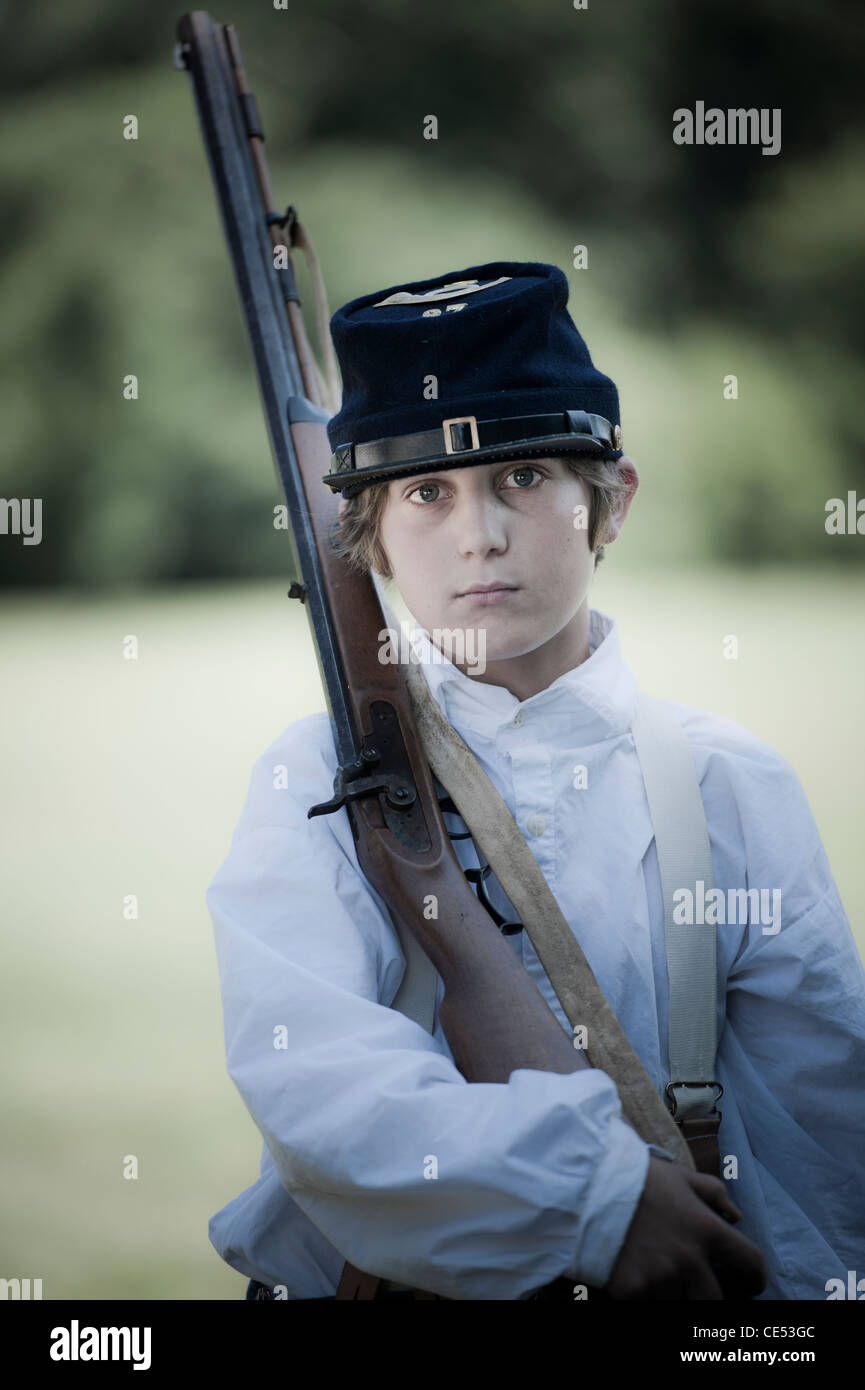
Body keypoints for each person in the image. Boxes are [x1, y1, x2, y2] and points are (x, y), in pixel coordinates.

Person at [206, 261, 865, 1300]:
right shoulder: (314, 778)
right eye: (425, 492)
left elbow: (822, 1149)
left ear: (610, 500)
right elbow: (320, 1089)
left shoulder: (730, 785)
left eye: (521, 476)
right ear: (362, 534)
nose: (479, 533)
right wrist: (591, 1198)